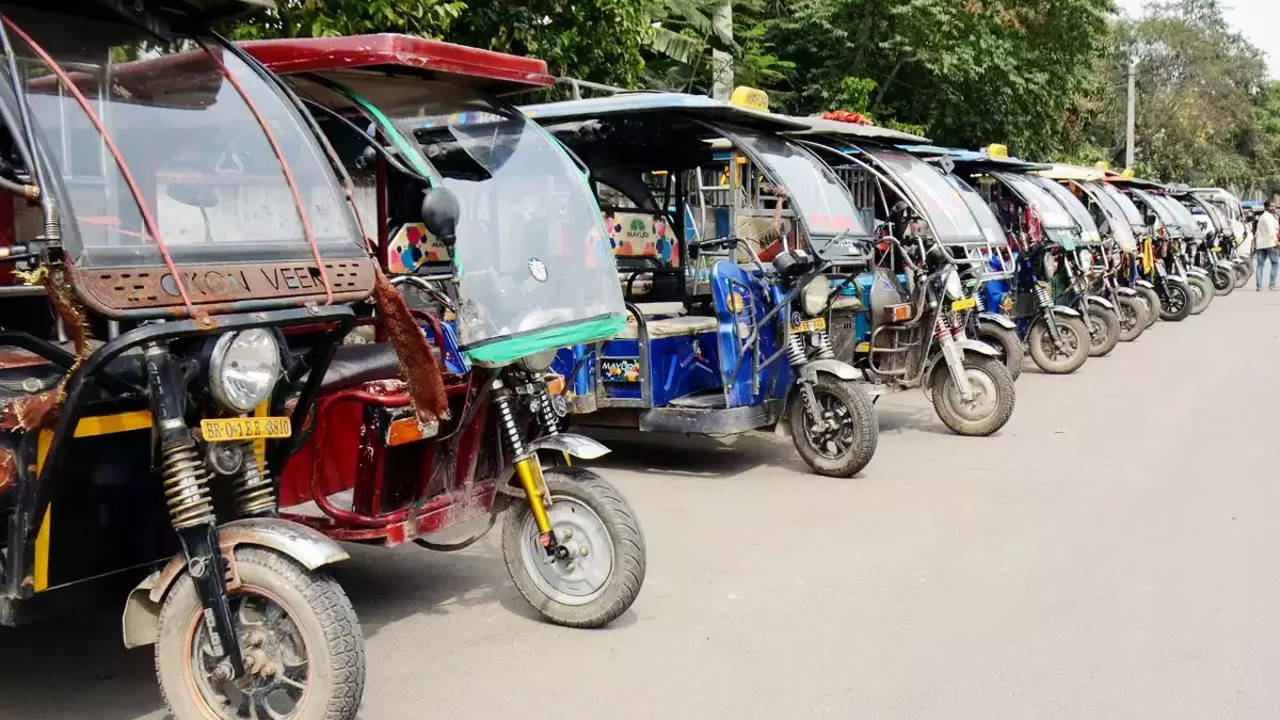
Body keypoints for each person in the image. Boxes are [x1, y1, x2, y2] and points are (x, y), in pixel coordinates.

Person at [1253, 199, 1280, 291]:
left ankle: (1259, 286)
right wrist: (1276, 242)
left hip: (1261, 244)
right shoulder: (1268, 217)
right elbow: (1271, 230)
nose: (1273, 208)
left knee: (1260, 265)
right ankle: (1272, 285)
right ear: (1266, 207)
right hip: (1270, 244)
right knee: (1275, 264)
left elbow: (1257, 231)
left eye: (1274, 206)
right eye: (1271, 206)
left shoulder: (1264, 217)